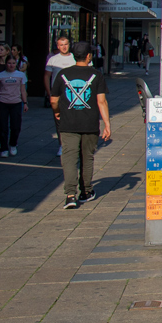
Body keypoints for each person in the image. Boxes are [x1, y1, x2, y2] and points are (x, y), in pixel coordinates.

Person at [50, 42, 111, 209]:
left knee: (69, 159)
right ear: (89, 56)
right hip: (90, 123)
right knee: (87, 158)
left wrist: (57, 111)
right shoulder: (96, 75)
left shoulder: (63, 74)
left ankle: (70, 195)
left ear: (72, 55)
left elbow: (54, 100)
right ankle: (86, 191)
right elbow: (101, 101)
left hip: (68, 123)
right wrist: (107, 124)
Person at [44, 36, 75, 156]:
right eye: (61, 45)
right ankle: (62, 145)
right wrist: (49, 92)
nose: (64, 47)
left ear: (69, 44)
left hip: (73, 94)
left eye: (66, 44)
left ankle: (72, 144)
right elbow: (47, 76)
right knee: (59, 120)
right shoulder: (53, 59)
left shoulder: (74, 58)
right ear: (57, 46)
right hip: (58, 94)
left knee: (73, 119)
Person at [0, 54, 28, 156]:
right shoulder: (0, 76)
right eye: (9, 63)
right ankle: (4, 148)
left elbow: (23, 90)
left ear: (16, 64)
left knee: (15, 127)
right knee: (3, 127)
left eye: (13, 63)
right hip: (2, 102)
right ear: (6, 64)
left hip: (16, 103)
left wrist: (25, 103)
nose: (11, 65)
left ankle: (13, 144)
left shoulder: (20, 75)